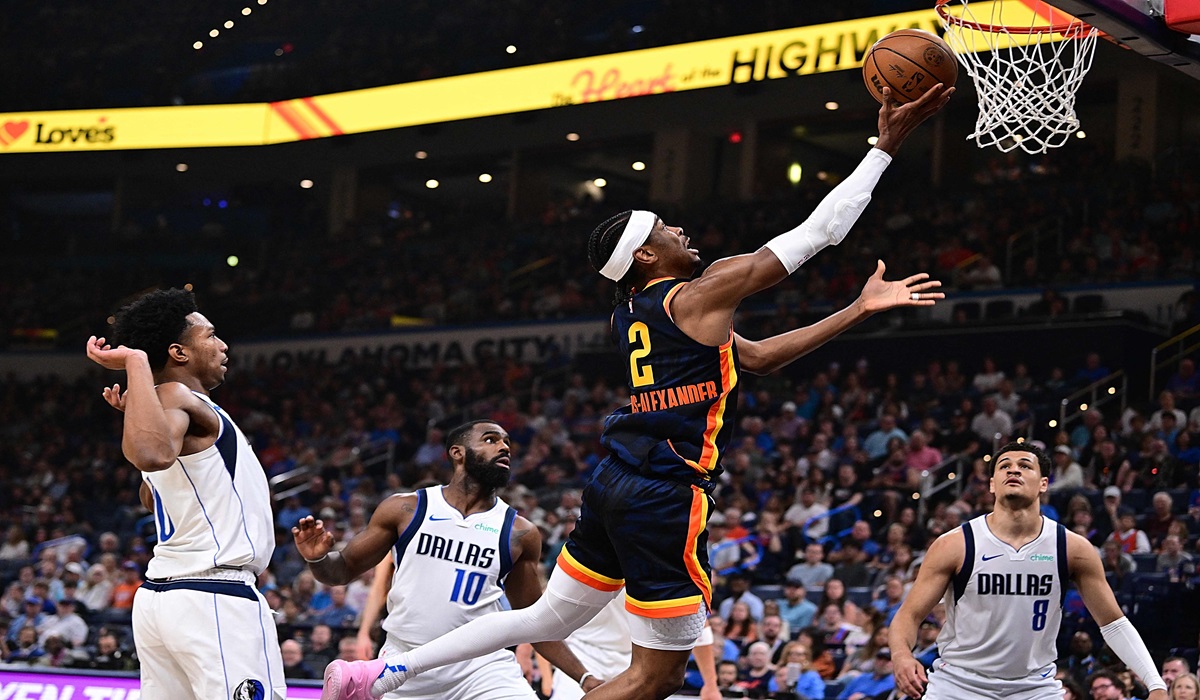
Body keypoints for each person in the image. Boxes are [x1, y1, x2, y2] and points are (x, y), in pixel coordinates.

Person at [321, 83, 953, 700]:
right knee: (659, 678)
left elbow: (756, 359)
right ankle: (383, 676)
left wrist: (857, 310)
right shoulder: (698, 295)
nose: (682, 230)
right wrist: (884, 149)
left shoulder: (632, 313)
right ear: (647, 256)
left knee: (543, 619)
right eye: (666, 229)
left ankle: (380, 674)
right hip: (666, 493)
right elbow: (820, 232)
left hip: (615, 479)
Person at [295, 420, 598, 700]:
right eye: (490, 440)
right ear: (457, 453)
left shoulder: (519, 532)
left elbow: (534, 620)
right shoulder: (406, 509)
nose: (504, 447)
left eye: (507, 442)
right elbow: (341, 571)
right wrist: (318, 558)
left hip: (482, 670)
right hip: (404, 666)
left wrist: (584, 678)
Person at [84, 289, 285, 700]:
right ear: (178, 352)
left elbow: (153, 495)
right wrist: (136, 363)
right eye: (210, 336)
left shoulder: (174, 409)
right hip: (213, 594)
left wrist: (141, 412)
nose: (223, 345)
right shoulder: (178, 396)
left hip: (166, 598)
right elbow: (151, 454)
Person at [889, 442, 1168, 700]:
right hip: (958, 685)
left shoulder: (1072, 548)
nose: (1014, 470)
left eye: (1024, 465)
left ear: (1044, 483)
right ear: (992, 484)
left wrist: (1155, 683)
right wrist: (902, 656)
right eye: (1004, 466)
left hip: (1034, 687)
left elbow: (1113, 622)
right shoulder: (955, 544)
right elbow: (909, 614)